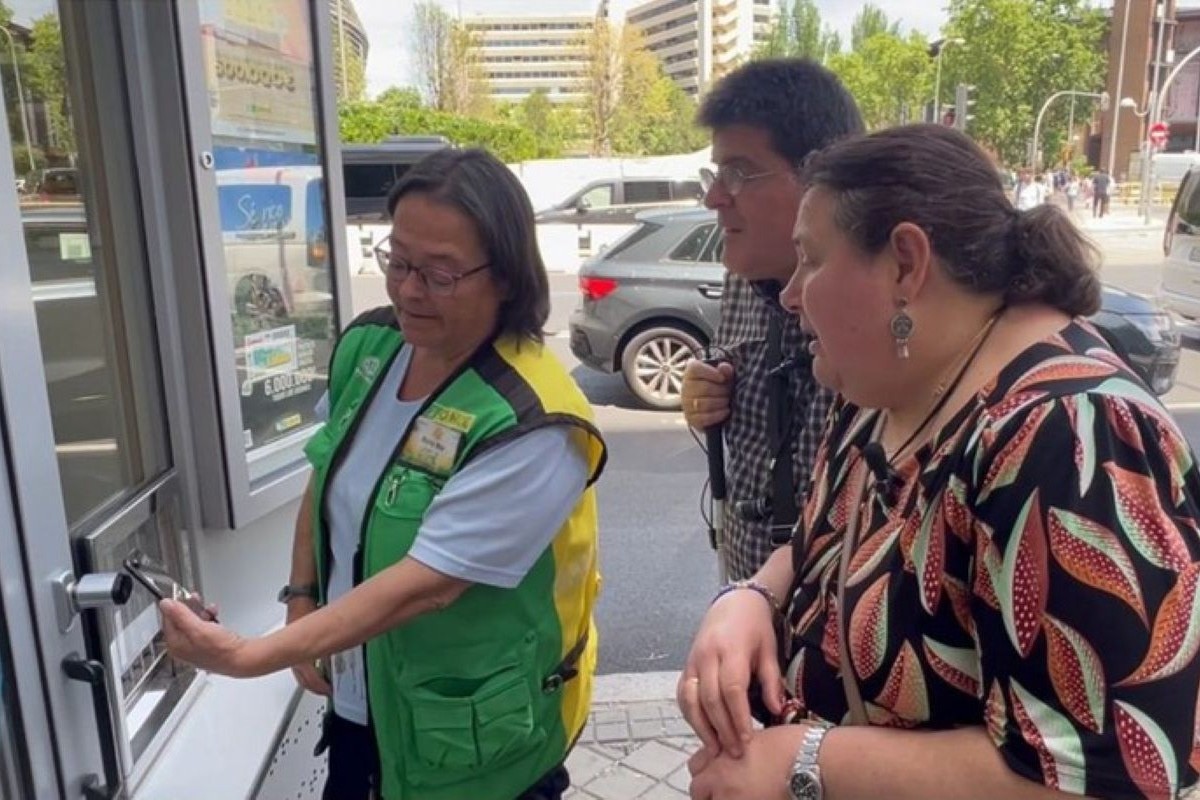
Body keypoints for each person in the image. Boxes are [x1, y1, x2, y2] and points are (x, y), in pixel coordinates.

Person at [678, 124, 1200, 800]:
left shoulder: (1070, 434)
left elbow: (1104, 776)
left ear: (904, 263)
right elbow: (827, 545)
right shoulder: (883, 382)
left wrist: (804, 762)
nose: (790, 293)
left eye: (811, 259)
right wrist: (752, 598)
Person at [160, 148, 606, 800]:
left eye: (440, 274)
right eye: (397, 261)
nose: (407, 290)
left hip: (475, 745)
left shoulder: (534, 420)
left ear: (506, 276)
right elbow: (328, 478)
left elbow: (429, 585)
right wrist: (301, 597)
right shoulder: (373, 348)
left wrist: (245, 657)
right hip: (363, 711)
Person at [680, 58, 864, 581]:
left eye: (738, 172)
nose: (715, 196)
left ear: (821, 176)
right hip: (747, 587)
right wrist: (704, 394)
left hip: (838, 608)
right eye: (714, 173)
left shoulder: (884, 307)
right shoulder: (742, 276)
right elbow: (729, 388)